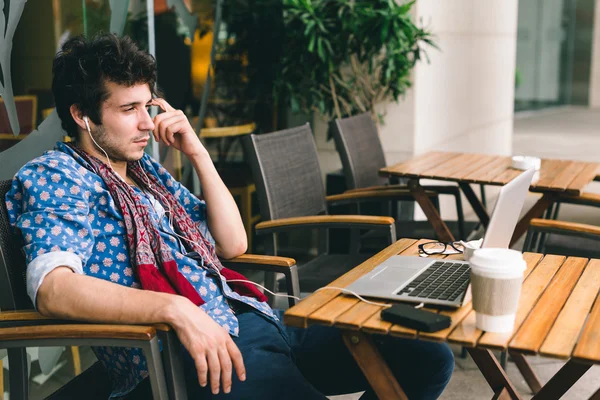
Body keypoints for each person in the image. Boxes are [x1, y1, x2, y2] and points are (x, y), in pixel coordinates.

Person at [5, 33, 454, 399]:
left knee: (425, 356)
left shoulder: (147, 173)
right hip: (191, 360)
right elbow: (54, 289)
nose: (147, 123)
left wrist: (198, 152)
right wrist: (176, 308)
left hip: (257, 321)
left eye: (149, 106)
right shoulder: (56, 175)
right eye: (129, 109)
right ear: (82, 115)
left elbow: (233, 245)